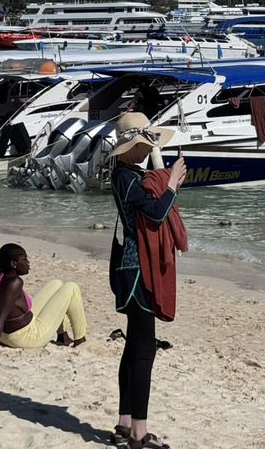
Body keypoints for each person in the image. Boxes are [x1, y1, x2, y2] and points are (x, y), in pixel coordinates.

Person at [109, 111, 187, 449]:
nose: (146, 150)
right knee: (144, 350)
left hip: (129, 268)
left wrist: (165, 185)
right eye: (142, 144)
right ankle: (139, 433)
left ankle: (125, 422)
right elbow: (156, 213)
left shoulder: (127, 174)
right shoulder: (126, 177)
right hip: (137, 270)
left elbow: (151, 210)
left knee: (133, 346)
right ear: (127, 148)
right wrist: (171, 186)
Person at [0, 243, 87, 355]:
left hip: (7, 334)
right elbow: (0, 318)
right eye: (24, 259)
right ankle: (80, 340)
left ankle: (62, 335)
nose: (28, 263)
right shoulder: (15, 283)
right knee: (72, 287)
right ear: (14, 264)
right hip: (26, 337)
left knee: (56, 284)